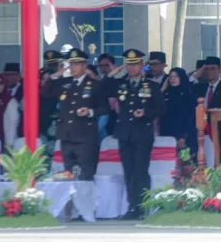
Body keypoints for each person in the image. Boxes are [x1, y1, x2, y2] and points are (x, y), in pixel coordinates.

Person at [102, 50, 166, 219]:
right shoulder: (120, 84)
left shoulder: (151, 85)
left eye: (135, 63)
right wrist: (112, 74)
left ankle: (143, 206)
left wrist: (145, 113)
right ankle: (132, 207)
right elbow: (101, 89)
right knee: (128, 171)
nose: (131, 67)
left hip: (142, 134)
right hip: (124, 134)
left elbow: (161, 108)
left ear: (142, 65)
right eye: (129, 64)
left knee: (141, 171)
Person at [41, 49, 106, 180]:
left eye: (76, 64)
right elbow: (45, 92)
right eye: (71, 64)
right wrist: (54, 76)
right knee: (67, 175)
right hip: (66, 135)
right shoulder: (64, 83)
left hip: (85, 136)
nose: (73, 67)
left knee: (85, 175)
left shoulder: (94, 85)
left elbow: (104, 108)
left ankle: (86, 200)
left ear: (84, 65)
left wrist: (90, 112)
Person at [192, 56, 221, 163]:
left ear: (219, 71)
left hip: (219, 133)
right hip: (201, 133)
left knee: (219, 163)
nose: (209, 72)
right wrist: (195, 76)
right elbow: (186, 90)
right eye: (207, 69)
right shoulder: (199, 87)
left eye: (213, 68)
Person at [160, 67, 197, 152]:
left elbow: (190, 118)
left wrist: (183, 136)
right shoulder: (166, 94)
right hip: (166, 134)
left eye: (176, 76)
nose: (173, 79)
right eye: (171, 76)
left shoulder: (189, 95)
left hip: (184, 135)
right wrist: (162, 89)